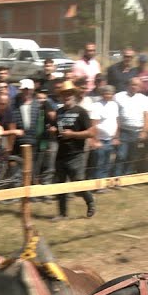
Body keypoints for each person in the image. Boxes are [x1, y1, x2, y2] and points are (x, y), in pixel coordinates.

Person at [51, 81, 95, 220]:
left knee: (78, 184)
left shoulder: (81, 112)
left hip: (77, 154)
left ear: (74, 95)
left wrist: (73, 135)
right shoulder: (59, 112)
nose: (66, 96)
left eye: (69, 93)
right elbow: (57, 129)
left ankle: (90, 202)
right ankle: (62, 214)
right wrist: (53, 131)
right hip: (61, 153)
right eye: (64, 94)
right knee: (60, 184)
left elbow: (91, 133)